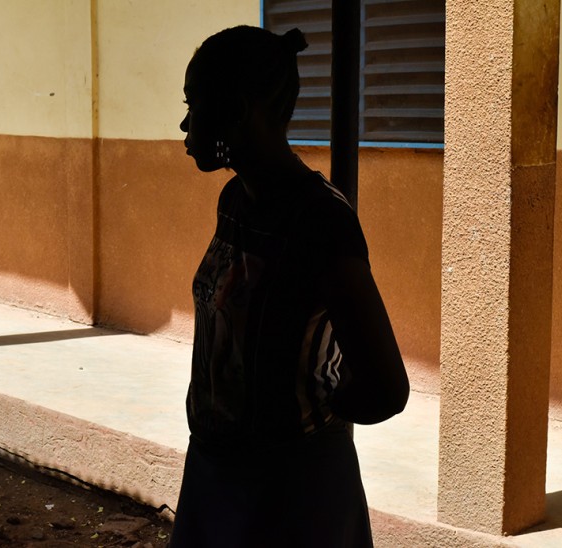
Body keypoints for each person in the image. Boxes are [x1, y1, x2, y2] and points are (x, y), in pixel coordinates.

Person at [171, 26, 410, 548]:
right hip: (218, 472)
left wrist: (302, 417)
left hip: (291, 496)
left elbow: (386, 387)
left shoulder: (321, 222)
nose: (187, 124)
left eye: (197, 105)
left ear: (237, 109)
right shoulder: (236, 200)